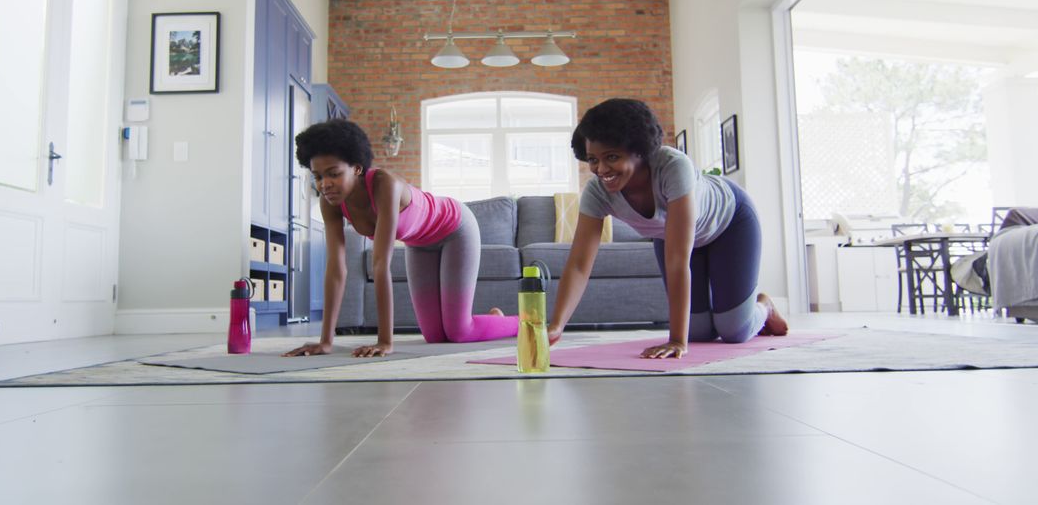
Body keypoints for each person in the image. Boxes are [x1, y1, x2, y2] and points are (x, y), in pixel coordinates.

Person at [546, 99, 788, 359]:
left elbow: (677, 260)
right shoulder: (597, 192)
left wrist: (676, 341)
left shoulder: (673, 167)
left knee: (734, 331)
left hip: (729, 224)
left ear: (639, 151)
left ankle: (765, 307)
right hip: (670, 236)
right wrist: (557, 325)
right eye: (593, 160)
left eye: (612, 157)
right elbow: (579, 264)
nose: (601, 169)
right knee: (699, 332)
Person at [283, 119, 518, 357]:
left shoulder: (385, 185)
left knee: (459, 332)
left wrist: (384, 342)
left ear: (356, 168)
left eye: (333, 174)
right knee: (435, 336)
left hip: (455, 229)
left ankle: (521, 323)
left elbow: (380, 264)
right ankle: (492, 320)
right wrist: (325, 342)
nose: (324, 185)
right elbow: (336, 269)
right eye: (318, 177)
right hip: (420, 244)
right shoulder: (330, 202)